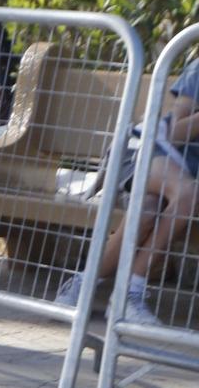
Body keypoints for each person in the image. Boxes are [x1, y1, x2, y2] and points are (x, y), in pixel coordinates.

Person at [55, 58, 199, 326]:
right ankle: (130, 293)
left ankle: (84, 284)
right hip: (147, 150)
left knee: (147, 211)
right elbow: (175, 133)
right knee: (188, 194)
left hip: (176, 177)